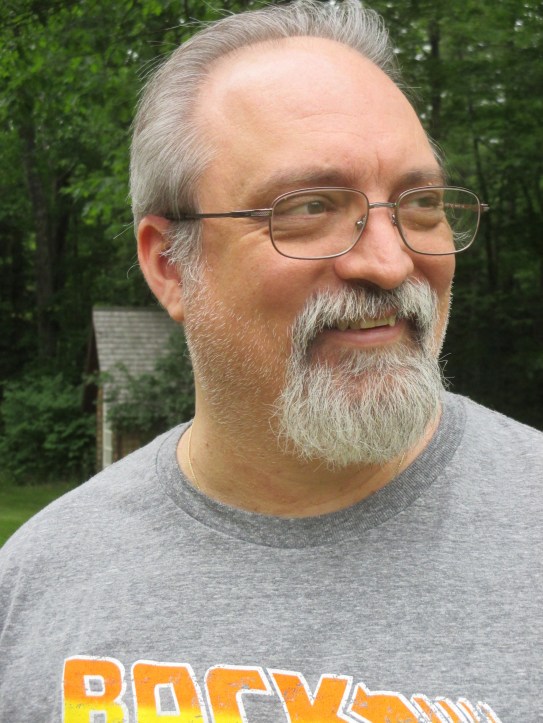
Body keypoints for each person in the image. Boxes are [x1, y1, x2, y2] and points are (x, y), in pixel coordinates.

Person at [1, 1, 541, 721]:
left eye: (421, 204)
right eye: (309, 207)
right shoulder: (35, 589)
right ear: (169, 264)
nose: (389, 262)